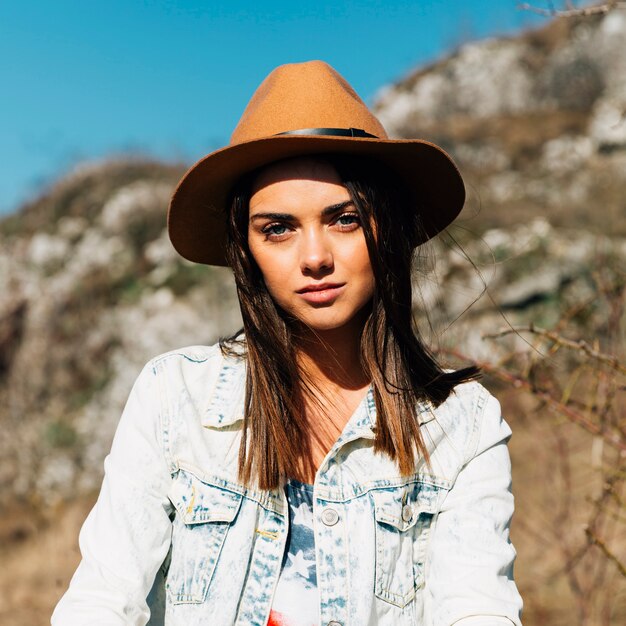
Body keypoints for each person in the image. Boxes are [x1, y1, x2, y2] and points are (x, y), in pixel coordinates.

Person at [52, 60, 523, 625]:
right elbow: (103, 598)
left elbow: (478, 609)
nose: (315, 257)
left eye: (345, 219)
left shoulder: (462, 424)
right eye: (278, 228)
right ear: (247, 250)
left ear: (385, 228)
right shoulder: (175, 396)